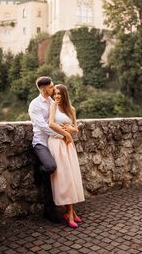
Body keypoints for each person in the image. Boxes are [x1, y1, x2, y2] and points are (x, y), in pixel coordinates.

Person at [28, 76, 70, 223]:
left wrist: (68, 128)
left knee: (60, 171)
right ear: (45, 89)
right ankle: (41, 170)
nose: (54, 88)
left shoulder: (53, 102)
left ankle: (50, 210)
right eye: (51, 87)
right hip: (41, 143)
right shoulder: (34, 105)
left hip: (54, 142)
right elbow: (43, 127)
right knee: (50, 167)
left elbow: (59, 119)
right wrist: (62, 135)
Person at [48, 84, 85, 228]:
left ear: (64, 95)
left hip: (68, 145)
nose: (56, 96)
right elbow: (51, 123)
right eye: (55, 93)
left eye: (59, 94)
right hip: (57, 144)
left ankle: (71, 212)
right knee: (64, 178)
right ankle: (70, 213)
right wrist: (66, 133)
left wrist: (71, 130)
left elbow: (76, 127)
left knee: (71, 177)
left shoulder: (72, 109)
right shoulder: (53, 107)